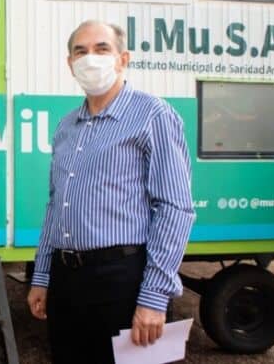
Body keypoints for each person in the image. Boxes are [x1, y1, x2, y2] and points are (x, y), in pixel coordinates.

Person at [26, 20, 196, 363]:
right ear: (70, 63)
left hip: (123, 280)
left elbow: (175, 208)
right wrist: (42, 276)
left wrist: (153, 298)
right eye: (81, 51)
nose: (91, 58)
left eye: (102, 49)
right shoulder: (66, 126)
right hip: (66, 280)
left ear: (123, 58)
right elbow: (56, 207)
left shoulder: (153, 115)